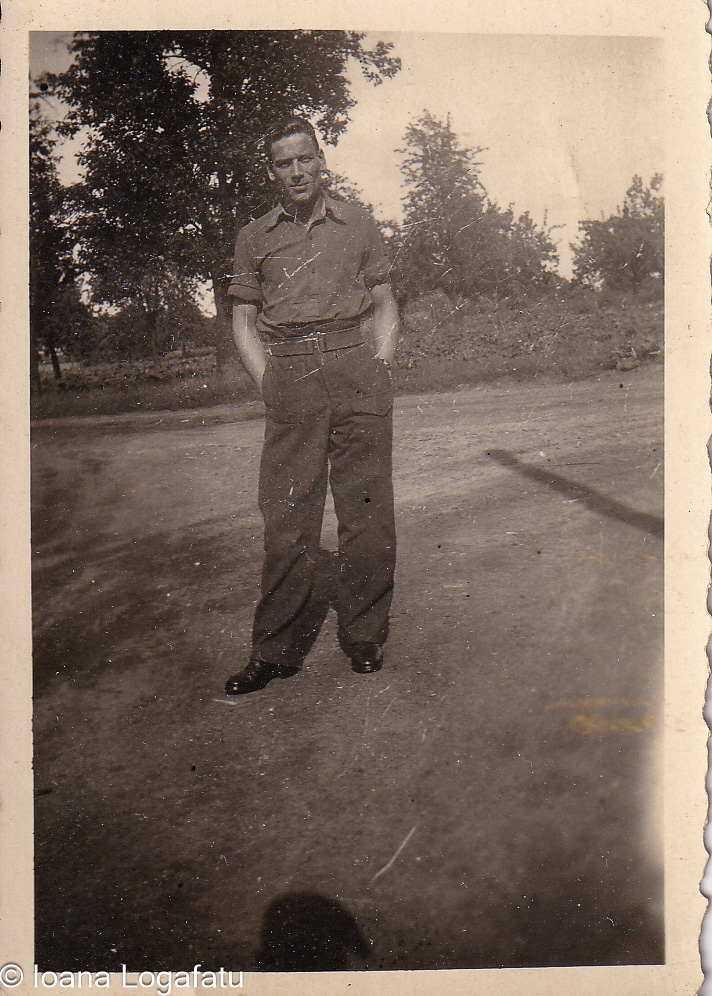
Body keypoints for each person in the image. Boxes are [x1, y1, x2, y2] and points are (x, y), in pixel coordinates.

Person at [224, 117, 399, 695]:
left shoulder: (358, 223)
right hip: (292, 374)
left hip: (356, 369)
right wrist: (268, 380)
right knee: (288, 517)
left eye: (305, 159)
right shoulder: (255, 236)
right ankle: (275, 650)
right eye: (283, 163)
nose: (296, 172)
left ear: (322, 162)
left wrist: (380, 363)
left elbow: (384, 302)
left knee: (366, 514)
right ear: (272, 173)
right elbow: (243, 320)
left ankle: (365, 637)